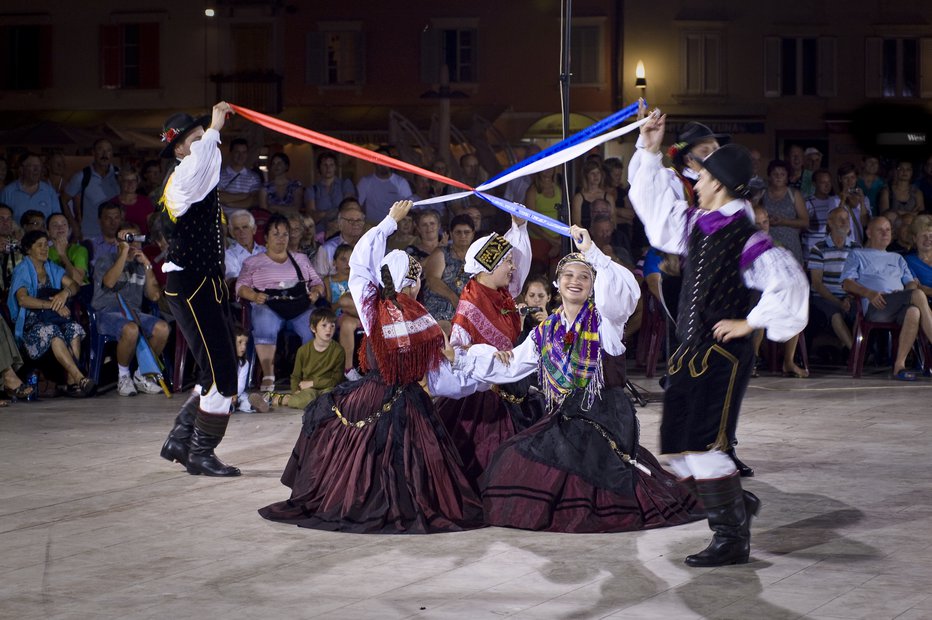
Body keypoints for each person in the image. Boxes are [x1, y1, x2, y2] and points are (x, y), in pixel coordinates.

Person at [630, 113, 808, 566]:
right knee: (676, 452)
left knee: (704, 447)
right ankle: (736, 506)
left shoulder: (744, 234)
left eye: (705, 174)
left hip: (723, 358)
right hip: (689, 352)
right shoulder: (696, 223)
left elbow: (789, 283)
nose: (697, 178)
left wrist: (750, 323)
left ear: (721, 184)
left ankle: (730, 537)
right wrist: (648, 150)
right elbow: (655, 213)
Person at [451, 226, 700, 532]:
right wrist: (468, 356)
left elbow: (625, 294)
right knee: (512, 456)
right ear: (557, 284)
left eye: (584, 277)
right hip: (567, 414)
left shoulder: (606, 320)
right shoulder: (545, 331)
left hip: (605, 416)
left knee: (596, 478)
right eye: (568, 275)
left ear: (594, 286)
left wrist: (594, 254)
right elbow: (512, 367)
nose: (575, 281)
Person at [258, 200, 484, 534]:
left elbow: (361, 266)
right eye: (416, 276)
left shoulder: (395, 312)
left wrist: (387, 224)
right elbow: (363, 261)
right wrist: (388, 223)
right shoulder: (397, 312)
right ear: (409, 279)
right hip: (400, 401)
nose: (418, 284)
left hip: (382, 398)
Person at [157, 102, 243, 477]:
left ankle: (180, 439)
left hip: (201, 282)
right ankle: (200, 453)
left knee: (215, 369)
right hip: (192, 284)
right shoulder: (185, 175)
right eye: (193, 139)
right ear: (178, 150)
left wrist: (210, 132)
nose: (206, 143)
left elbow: (209, 156)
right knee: (223, 373)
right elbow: (204, 156)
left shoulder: (195, 172)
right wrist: (213, 126)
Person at [435, 214, 541, 483]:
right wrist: (488, 354)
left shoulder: (500, 292)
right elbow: (457, 353)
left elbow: (521, 265)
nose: (512, 267)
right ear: (488, 266)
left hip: (512, 385)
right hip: (484, 394)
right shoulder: (471, 304)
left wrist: (519, 226)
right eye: (506, 262)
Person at [235, 214, 325, 392]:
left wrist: (315, 292)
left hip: (298, 305)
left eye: (285, 234)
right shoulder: (253, 262)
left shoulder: (300, 259)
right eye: (276, 234)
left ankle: (309, 374)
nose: (281, 239)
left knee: (315, 325)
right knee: (263, 320)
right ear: (266, 237)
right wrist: (254, 296)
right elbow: (240, 286)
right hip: (268, 305)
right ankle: (268, 374)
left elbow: (317, 282)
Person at [841, 216, 932, 381]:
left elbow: (911, 283)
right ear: (869, 233)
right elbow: (847, 283)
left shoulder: (897, 258)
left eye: (888, 230)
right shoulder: (858, 254)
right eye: (880, 230)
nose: (885, 233)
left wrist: (904, 295)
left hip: (897, 303)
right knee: (918, 295)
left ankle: (899, 366)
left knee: (914, 311)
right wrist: (868, 293)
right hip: (877, 305)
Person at [8, 230, 94, 396]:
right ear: (28, 249)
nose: (44, 248)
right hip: (30, 326)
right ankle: (79, 378)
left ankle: (71, 382)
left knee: (74, 329)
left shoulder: (50, 268)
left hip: (52, 319)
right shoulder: (23, 269)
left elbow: (75, 285)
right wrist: (52, 305)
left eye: (46, 245)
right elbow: (23, 300)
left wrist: (64, 293)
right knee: (52, 331)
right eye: (39, 245)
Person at [91, 223, 169, 397]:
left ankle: (143, 375)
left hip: (134, 313)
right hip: (107, 312)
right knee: (131, 328)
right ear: (120, 243)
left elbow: (155, 296)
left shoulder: (141, 265)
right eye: (129, 240)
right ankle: (124, 376)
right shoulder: (106, 260)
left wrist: (148, 265)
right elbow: (110, 283)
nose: (134, 245)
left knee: (162, 328)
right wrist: (124, 254)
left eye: (136, 240)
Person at [266, 307, 345, 410]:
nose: (328, 329)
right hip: (309, 389)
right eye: (324, 325)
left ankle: (286, 399)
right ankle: (285, 398)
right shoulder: (303, 351)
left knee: (330, 401)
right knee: (304, 400)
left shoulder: (338, 351)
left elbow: (336, 379)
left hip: (328, 387)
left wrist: (313, 383)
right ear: (313, 328)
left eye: (332, 326)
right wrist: (296, 391)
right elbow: (295, 376)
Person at [808, 206, 858, 352]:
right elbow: (817, 283)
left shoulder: (856, 248)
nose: (845, 222)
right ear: (830, 223)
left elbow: (859, 279)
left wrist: (849, 298)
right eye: (840, 219)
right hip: (824, 298)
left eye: (846, 219)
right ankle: (855, 355)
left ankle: (854, 351)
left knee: (862, 313)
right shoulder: (819, 248)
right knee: (835, 314)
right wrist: (838, 302)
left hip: (850, 296)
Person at [422, 214, 474, 325]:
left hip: (470, 304)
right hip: (440, 303)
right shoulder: (442, 253)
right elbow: (432, 280)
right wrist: (453, 298)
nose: (463, 236)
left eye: (467, 232)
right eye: (458, 232)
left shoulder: (476, 257)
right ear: (451, 234)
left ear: (473, 234)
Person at [62, 138, 120, 240]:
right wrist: (74, 225)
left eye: (108, 150)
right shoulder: (82, 176)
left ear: (112, 154)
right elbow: (63, 200)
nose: (104, 154)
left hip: (115, 235)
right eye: (100, 149)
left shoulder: (119, 175)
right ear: (93, 152)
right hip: (90, 235)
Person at [761, 159, 808, 265]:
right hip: (769, 245)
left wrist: (784, 221)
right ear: (769, 176)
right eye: (775, 174)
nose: (778, 177)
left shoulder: (794, 194)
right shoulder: (762, 194)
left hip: (791, 244)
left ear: (787, 177)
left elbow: (805, 222)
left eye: (782, 174)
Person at [356, 147, 412, 225]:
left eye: (386, 159)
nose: (383, 163)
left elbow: (409, 207)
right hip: (372, 226)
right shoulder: (365, 182)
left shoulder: (401, 182)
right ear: (374, 162)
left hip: (395, 225)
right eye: (380, 159)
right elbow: (357, 206)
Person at [524, 167, 563, 276]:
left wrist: (559, 242)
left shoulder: (558, 189)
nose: (548, 170)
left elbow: (563, 215)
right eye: (545, 167)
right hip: (539, 240)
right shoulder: (532, 191)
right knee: (537, 275)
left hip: (557, 240)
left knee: (556, 277)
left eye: (551, 167)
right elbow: (531, 222)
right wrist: (552, 241)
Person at [313, 198, 366, 277]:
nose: (356, 224)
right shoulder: (327, 249)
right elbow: (319, 280)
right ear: (340, 225)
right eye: (350, 220)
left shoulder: (369, 247)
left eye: (359, 220)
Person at [0, 153, 61, 222]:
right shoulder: (8, 192)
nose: (37, 169)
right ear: (21, 169)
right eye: (32, 166)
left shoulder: (50, 192)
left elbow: (57, 219)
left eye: (39, 166)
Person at [306, 150, 355, 236]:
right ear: (319, 168)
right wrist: (335, 212)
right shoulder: (312, 189)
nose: (328, 168)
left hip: (342, 231)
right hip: (320, 234)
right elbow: (312, 216)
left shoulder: (345, 184)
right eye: (325, 165)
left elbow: (349, 208)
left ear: (336, 167)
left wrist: (323, 214)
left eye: (331, 165)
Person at [218, 138, 262, 213]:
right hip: (224, 221)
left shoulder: (254, 177)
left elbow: (254, 200)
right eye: (237, 152)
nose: (241, 156)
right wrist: (245, 196)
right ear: (231, 153)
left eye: (244, 152)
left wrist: (230, 203)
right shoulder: (220, 175)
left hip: (246, 221)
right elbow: (219, 197)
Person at [571, 159, 615, 229]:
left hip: (605, 235)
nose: (596, 176)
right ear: (586, 175)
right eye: (592, 173)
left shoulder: (609, 198)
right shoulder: (578, 198)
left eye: (598, 173)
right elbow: (576, 223)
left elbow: (613, 222)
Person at [224, 209, 266, 284]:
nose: (241, 232)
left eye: (245, 227)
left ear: (254, 229)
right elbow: (232, 280)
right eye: (237, 229)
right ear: (232, 233)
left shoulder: (265, 251)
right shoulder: (228, 255)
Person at [46, 213, 88, 286]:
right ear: (48, 231)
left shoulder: (79, 250)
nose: (60, 227)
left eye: (64, 224)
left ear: (69, 230)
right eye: (55, 225)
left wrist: (63, 255)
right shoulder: (45, 252)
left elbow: (78, 280)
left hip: (78, 293)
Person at [880, 160, 925, 227]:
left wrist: (897, 212)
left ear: (912, 172)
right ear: (896, 171)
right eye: (901, 169)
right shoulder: (887, 191)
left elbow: (922, 216)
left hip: (910, 228)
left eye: (908, 169)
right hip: (892, 228)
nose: (904, 172)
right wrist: (912, 213)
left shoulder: (917, 192)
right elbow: (885, 214)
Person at [110, 168, 155, 235]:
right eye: (126, 180)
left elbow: (152, 227)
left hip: (142, 243)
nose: (130, 183)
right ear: (120, 182)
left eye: (133, 180)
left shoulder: (145, 202)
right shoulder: (113, 203)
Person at [905, 215, 932, 299]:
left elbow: (923, 288)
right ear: (914, 238)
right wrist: (923, 289)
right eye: (924, 235)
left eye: (931, 235)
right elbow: (915, 288)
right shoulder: (908, 261)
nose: (928, 239)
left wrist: (926, 289)